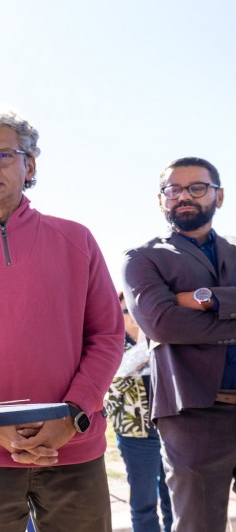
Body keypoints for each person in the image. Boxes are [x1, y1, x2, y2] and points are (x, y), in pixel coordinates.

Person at [0, 112, 124, 531]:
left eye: (3, 155)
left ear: (30, 165)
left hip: (74, 443)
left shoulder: (77, 239)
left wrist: (71, 415)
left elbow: (106, 335)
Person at [123, 156, 236, 532]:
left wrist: (202, 298)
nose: (184, 196)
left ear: (218, 197)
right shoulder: (143, 259)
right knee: (197, 525)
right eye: (174, 189)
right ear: (161, 200)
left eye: (197, 188)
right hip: (193, 415)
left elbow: (181, 316)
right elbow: (163, 323)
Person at [104, 291, 173, 532]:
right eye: (125, 311)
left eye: (136, 308)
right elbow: (110, 390)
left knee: (173, 497)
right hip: (135, 434)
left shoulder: (162, 338)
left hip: (170, 429)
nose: (133, 316)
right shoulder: (110, 344)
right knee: (143, 501)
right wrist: (142, 351)